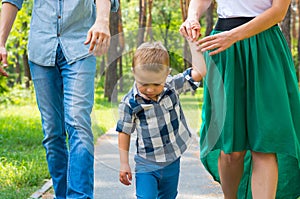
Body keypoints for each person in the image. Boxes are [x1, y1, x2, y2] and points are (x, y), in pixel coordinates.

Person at [179, 0, 300, 198]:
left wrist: (234, 36)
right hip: (224, 48)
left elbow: (279, 12)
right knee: (230, 149)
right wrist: (192, 17)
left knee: (265, 144)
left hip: (264, 46)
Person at [0, 0, 119, 198]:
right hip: (42, 48)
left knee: (78, 123)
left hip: (81, 44)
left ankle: (79, 196)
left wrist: (102, 21)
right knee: (52, 132)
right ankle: (61, 194)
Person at [116, 41, 206, 199]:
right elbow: (124, 132)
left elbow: (199, 73)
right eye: (144, 84)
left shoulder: (172, 86)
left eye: (156, 84)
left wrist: (193, 44)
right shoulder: (130, 103)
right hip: (146, 163)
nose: (150, 90)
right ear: (134, 73)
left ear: (166, 74)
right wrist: (124, 163)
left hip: (172, 160)